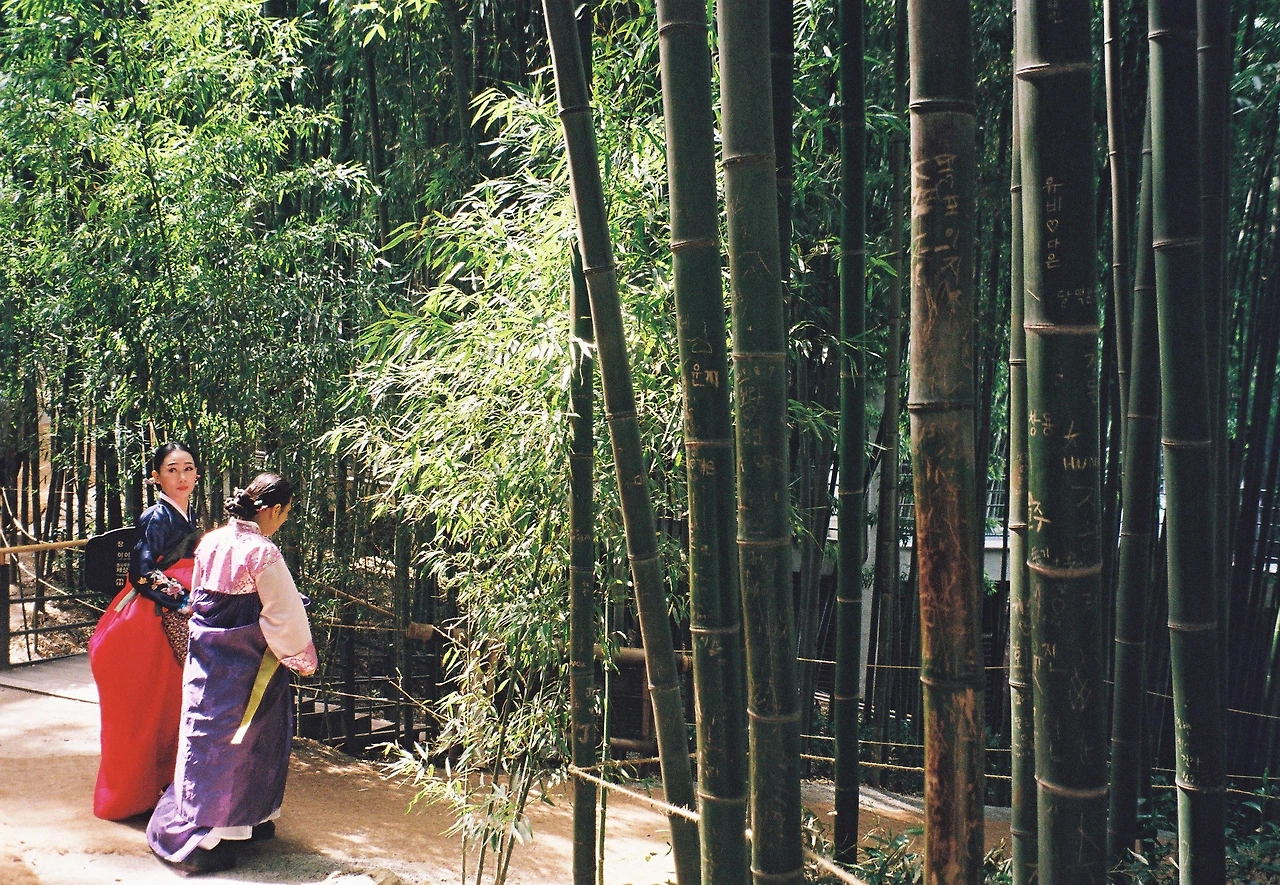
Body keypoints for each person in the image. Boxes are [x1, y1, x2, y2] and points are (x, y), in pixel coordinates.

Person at [147, 472, 317, 875]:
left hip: (208, 661)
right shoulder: (263, 553)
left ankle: (232, 824)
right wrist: (301, 656)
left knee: (205, 737)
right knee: (245, 742)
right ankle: (210, 836)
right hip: (248, 666)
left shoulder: (211, 541)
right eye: (286, 513)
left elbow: (199, 599)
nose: (284, 521)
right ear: (273, 510)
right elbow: (282, 615)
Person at [89, 441, 202, 821]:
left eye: (188, 468)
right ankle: (130, 796)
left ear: (197, 474)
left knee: (167, 708)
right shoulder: (156, 516)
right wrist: (182, 599)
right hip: (149, 622)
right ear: (156, 477)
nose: (181, 476)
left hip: (167, 619)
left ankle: (159, 790)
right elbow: (142, 571)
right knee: (144, 710)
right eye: (172, 470)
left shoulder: (184, 513)